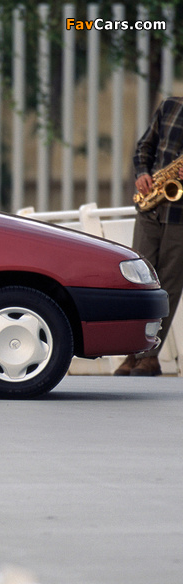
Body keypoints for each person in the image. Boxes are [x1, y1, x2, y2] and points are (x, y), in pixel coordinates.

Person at [115, 96, 183, 376]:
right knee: (138, 279)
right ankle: (132, 352)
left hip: (180, 217)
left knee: (168, 285)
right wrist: (143, 173)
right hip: (151, 207)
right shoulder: (170, 107)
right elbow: (144, 147)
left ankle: (149, 355)